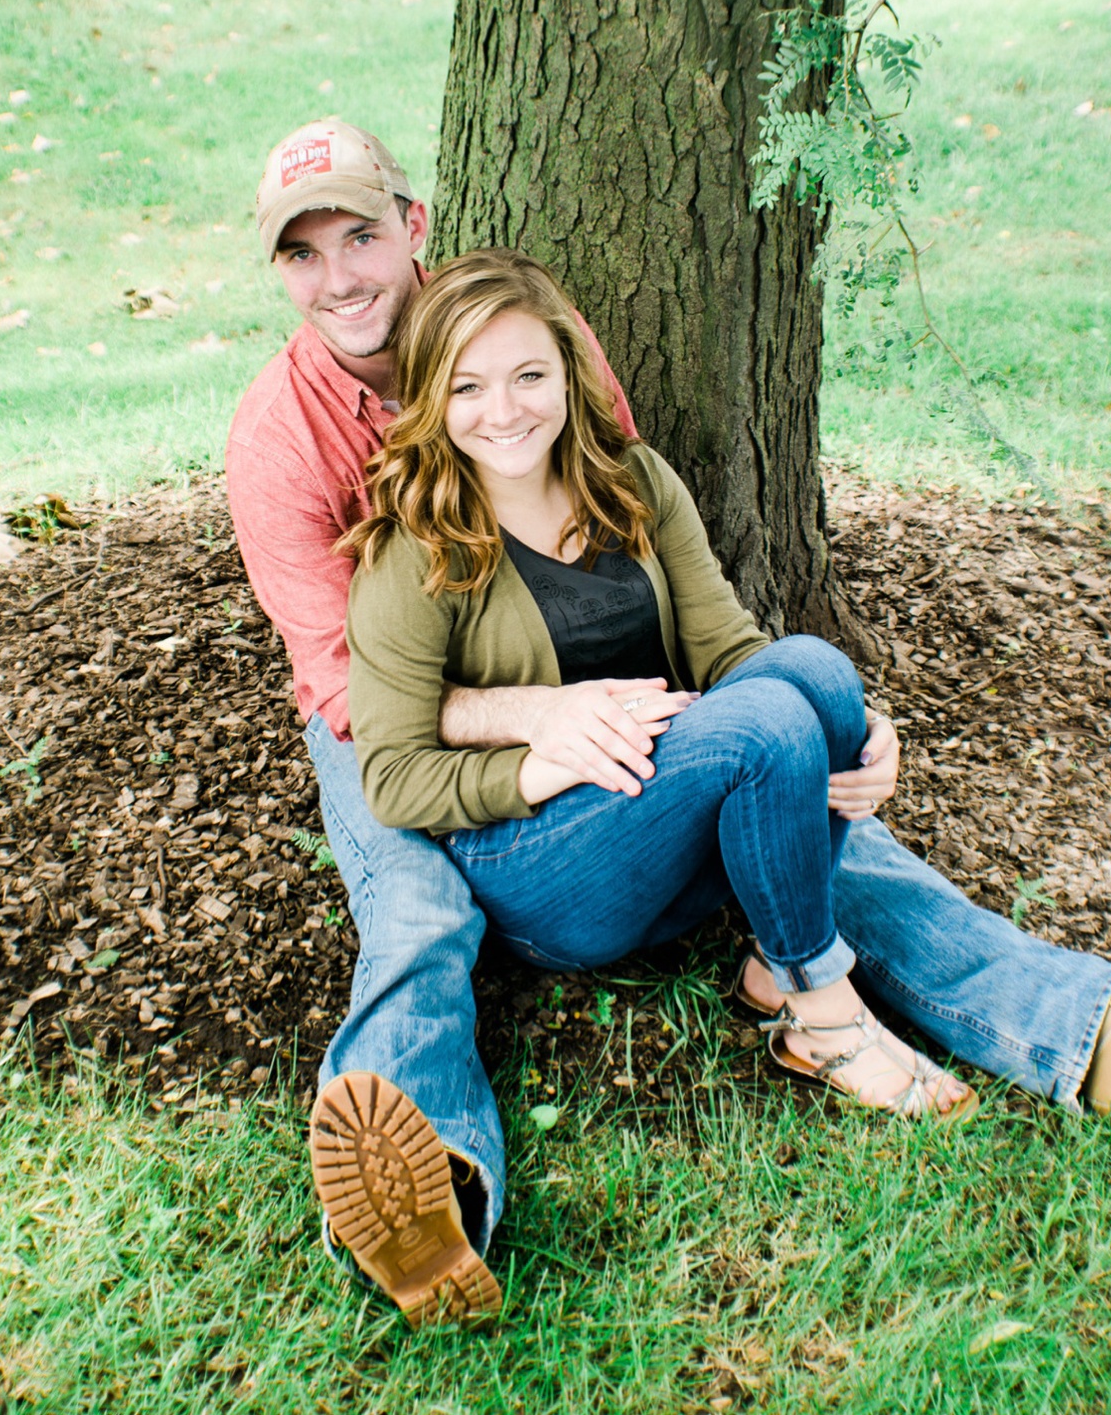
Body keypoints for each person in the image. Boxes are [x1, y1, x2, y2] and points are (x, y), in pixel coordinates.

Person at [224, 121, 1111, 1326]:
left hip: (613, 723)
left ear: (414, 228)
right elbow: (364, 705)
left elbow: (632, 520)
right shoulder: (287, 444)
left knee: (799, 730)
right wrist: (537, 727)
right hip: (394, 722)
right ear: (284, 276)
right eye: (304, 254)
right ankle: (436, 1184)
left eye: (360, 233)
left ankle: (1064, 1019)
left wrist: (847, 727)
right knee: (419, 913)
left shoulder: (548, 370)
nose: (340, 274)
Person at [341, 248, 976, 1129]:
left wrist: (859, 730)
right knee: (761, 726)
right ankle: (823, 1018)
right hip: (540, 862)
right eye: (468, 388)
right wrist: (540, 764)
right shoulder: (412, 552)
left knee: (818, 674)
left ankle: (774, 963)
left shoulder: (633, 482)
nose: (505, 411)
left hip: (661, 808)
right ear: (431, 401)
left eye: (529, 374)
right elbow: (394, 777)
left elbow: (729, 648)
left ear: (569, 372)